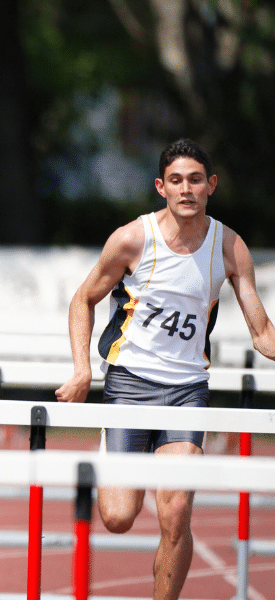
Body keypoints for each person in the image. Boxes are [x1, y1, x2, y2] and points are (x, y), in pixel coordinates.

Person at [55, 138, 275, 600]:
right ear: (161, 187)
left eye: (196, 179)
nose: (186, 189)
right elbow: (83, 298)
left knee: (176, 515)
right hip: (129, 385)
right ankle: (110, 450)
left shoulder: (229, 246)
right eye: (176, 180)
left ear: (211, 185)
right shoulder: (133, 238)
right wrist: (82, 370)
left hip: (187, 390)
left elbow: (263, 334)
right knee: (117, 518)